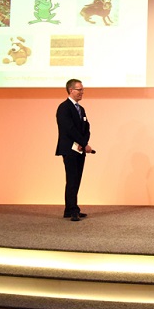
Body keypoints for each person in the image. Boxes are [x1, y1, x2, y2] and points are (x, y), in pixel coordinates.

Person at [55, 79, 93, 221]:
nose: (82, 92)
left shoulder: (81, 109)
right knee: (72, 179)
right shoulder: (64, 108)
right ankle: (73, 209)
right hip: (69, 149)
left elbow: (86, 126)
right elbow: (69, 129)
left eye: (82, 89)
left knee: (76, 179)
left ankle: (69, 209)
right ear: (71, 90)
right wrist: (83, 143)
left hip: (80, 149)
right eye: (79, 89)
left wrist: (85, 142)